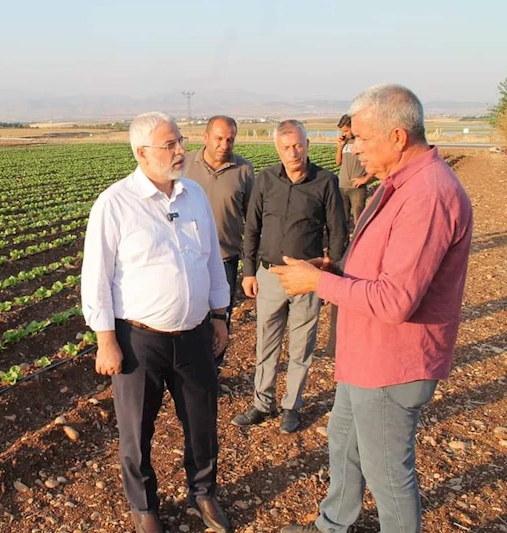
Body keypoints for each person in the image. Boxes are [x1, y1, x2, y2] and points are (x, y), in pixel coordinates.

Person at [275, 84, 473, 533]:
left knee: (388, 475)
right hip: (366, 356)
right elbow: (385, 267)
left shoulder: (428, 196)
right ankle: (332, 525)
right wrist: (337, 269)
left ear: (398, 137)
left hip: (393, 363)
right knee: (343, 441)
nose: (353, 147)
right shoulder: (403, 182)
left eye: (362, 138)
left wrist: (319, 282)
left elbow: (396, 300)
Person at [81, 112, 232, 533]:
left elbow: (212, 261)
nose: (181, 150)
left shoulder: (195, 195)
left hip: (195, 334)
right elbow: (96, 279)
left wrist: (220, 315)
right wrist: (105, 340)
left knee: (202, 422)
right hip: (138, 340)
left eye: (180, 141)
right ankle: (144, 507)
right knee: (136, 431)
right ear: (141, 152)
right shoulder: (115, 204)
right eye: (170, 145)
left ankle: (204, 493)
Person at [232, 120, 347, 434]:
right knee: (266, 343)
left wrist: (330, 278)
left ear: (307, 144)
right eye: (286, 147)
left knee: (301, 346)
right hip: (269, 276)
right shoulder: (265, 180)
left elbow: (338, 234)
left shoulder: (326, 182)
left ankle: (291, 407)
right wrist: (249, 271)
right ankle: (262, 403)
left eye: (298, 145)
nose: (293, 152)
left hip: (308, 278)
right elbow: (251, 229)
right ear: (277, 148)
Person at [184, 115, 255, 363]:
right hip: (187, 256)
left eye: (230, 139)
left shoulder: (244, 170)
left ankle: (212, 373)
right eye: (219, 138)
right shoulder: (185, 165)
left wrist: (251, 266)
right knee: (188, 316)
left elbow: (253, 220)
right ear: (206, 137)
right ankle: (188, 373)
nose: (224, 145)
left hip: (225, 258)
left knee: (220, 318)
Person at [334, 114, 375, 232]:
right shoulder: (345, 142)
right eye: (343, 131)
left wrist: (365, 179)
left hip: (357, 188)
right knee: (342, 220)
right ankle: (344, 247)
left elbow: (375, 164)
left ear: (354, 127)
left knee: (359, 219)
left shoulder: (363, 142)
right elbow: (338, 162)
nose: (344, 133)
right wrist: (340, 147)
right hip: (342, 186)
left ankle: (359, 245)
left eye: (346, 130)